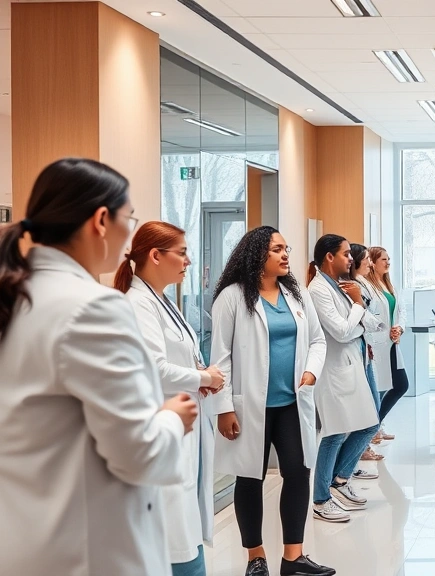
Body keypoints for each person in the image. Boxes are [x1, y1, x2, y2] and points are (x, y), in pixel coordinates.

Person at [0, 158, 197, 575]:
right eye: (130, 218)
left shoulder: (17, 295)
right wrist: (171, 419)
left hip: (31, 537)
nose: (130, 234)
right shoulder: (92, 307)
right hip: (89, 550)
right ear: (102, 220)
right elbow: (139, 455)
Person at [209, 226, 332, 576]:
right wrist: (224, 408)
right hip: (250, 406)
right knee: (251, 477)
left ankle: (293, 558)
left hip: (293, 402)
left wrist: (310, 372)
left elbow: (318, 340)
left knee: (298, 472)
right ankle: (255, 558)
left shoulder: (296, 294)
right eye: (277, 249)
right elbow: (220, 358)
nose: (285, 255)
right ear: (256, 254)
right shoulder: (232, 297)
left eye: (286, 248)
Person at [116, 221, 224, 576]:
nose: (188, 261)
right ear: (155, 255)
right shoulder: (138, 303)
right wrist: (203, 376)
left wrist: (198, 376)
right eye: (182, 253)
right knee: (176, 536)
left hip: (184, 424)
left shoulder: (161, 301)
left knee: (185, 526)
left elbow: (177, 357)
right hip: (165, 426)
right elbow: (156, 368)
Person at [306, 234, 381, 524]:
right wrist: (359, 306)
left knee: (368, 425)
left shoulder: (338, 286)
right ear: (329, 257)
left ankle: (338, 479)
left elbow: (366, 324)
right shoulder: (318, 290)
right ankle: (321, 499)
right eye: (346, 253)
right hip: (335, 369)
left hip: (352, 364)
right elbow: (341, 331)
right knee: (335, 432)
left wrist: (359, 315)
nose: (351, 258)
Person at [365, 246, 410, 441]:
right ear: (372, 263)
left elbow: (401, 311)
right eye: (384, 259)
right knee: (380, 388)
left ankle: (375, 425)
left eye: (389, 258)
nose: (388, 262)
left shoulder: (389, 285)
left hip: (391, 343)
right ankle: (372, 428)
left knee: (400, 385)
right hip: (377, 344)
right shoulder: (366, 286)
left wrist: (399, 328)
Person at [349, 243, 386, 462]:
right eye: (367, 259)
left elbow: (368, 315)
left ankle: (358, 453)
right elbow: (361, 318)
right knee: (368, 408)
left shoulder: (360, 284)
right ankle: (356, 455)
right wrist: (376, 324)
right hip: (356, 350)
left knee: (373, 405)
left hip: (366, 349)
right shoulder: (351, 286)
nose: (370, 263)